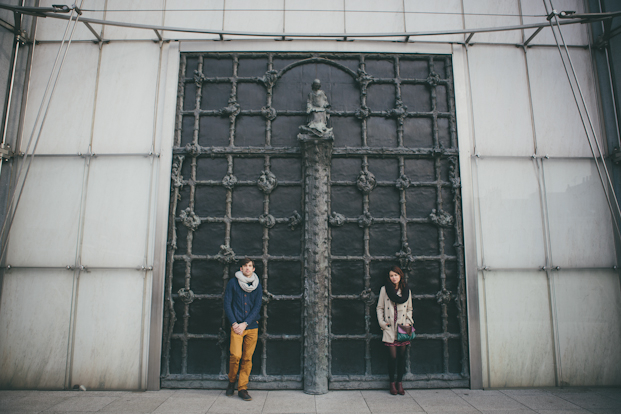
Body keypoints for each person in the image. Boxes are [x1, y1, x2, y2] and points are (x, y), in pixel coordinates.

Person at [223, 258, 262, 401]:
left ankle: (242, 388)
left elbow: (257, 306)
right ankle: (231, 381)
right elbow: (227, 304)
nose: (247, 268)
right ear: (241, 268)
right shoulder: (233, 283)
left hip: (251, 326)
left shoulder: (257, 285)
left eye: (250, 266)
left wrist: (245, 323)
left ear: (253, 269)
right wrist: (234, 323)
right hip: (236, 327)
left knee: (247, 358)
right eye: (245, 266)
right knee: (235, 356)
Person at [376, 265, 413, 395]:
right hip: (389, 328)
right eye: (391, 275)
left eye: (396, 275)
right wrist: (382, 323)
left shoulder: (406, 290)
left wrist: (408, 322)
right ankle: (392, 383)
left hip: (403, 328)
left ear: (400, 276)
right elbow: (380, 307)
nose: (394, 278)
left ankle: (400, 383)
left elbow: (409, 308)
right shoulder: (384, 290)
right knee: (392, 357)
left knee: (402, 357)